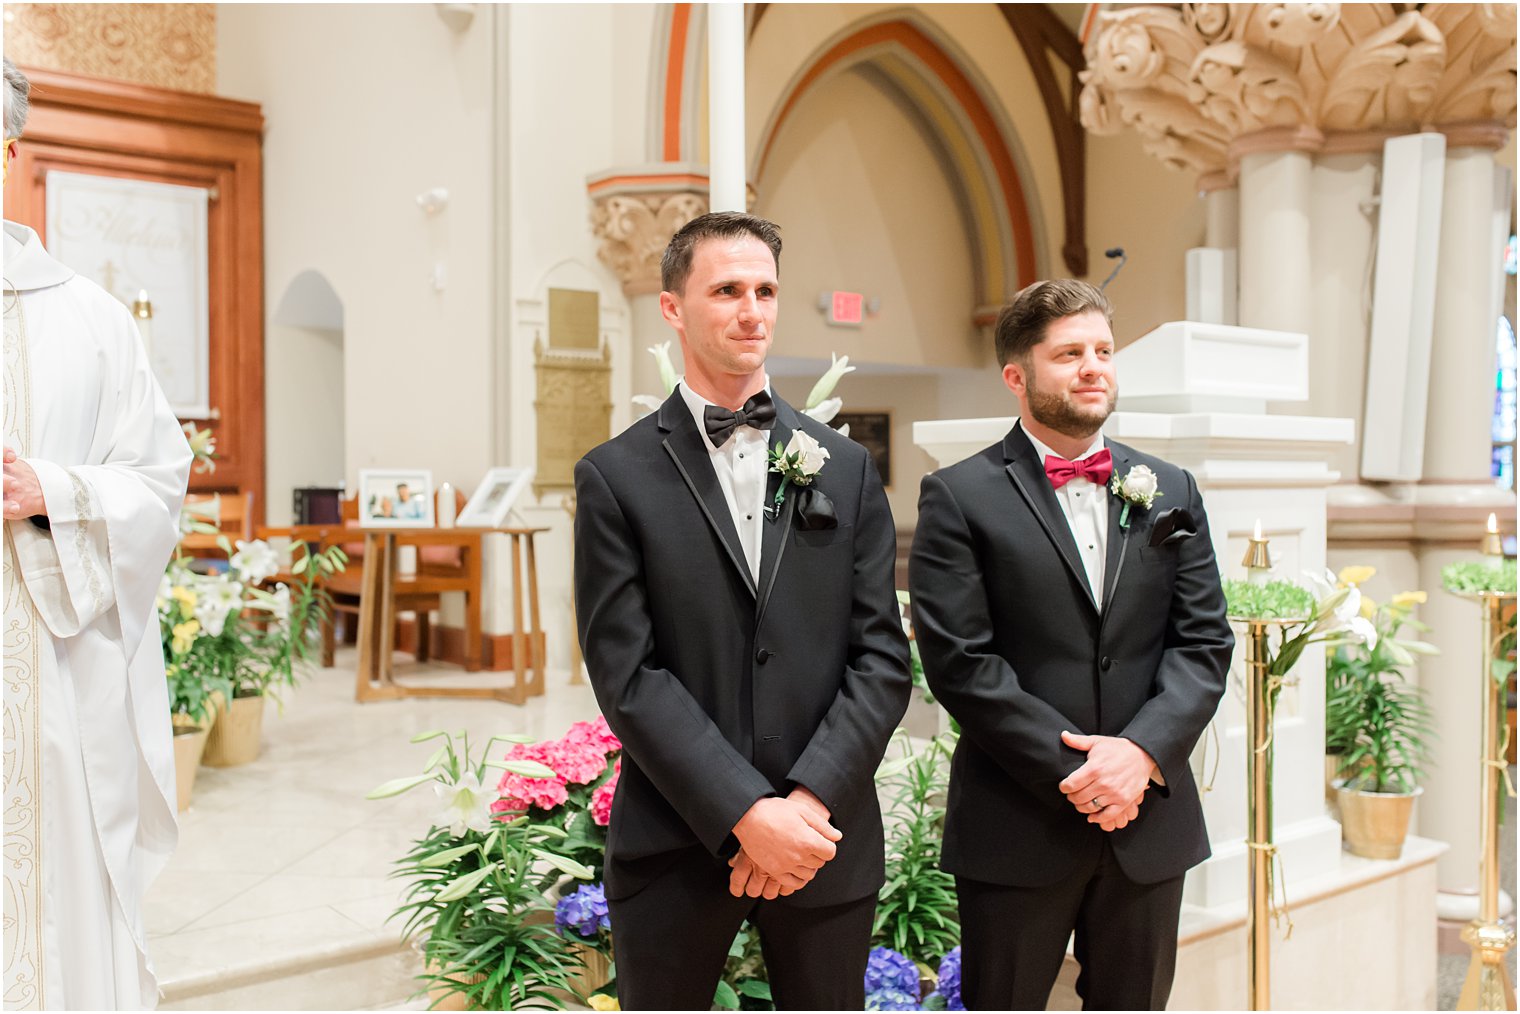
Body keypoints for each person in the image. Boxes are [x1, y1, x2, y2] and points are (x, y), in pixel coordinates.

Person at [573, 211, 911, 1010]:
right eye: (726, 290)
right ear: (672, 307)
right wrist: (743, 812)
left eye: (765, 290)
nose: (752, 310)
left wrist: (802, 804)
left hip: (823, 836)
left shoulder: (849, 469)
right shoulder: (616, 478)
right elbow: (628, 672)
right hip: (678, 837)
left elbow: (881, 658)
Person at [909, 279, 1233, 1010]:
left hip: (1147, 820)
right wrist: (1083, 774)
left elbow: (1203, 641)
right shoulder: (960, 496)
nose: (1094, 367)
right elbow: (961, 662)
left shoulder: (1171, 489)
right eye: (1069, 354)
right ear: (1017, 376)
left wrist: (1140, 755)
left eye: (1103, 351)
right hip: (1019, 819)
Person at [3, 57, 192, 1010]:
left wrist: (57, 489)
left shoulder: (90, 318)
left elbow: (160, 484)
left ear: (9, 147)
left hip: (53, 670)